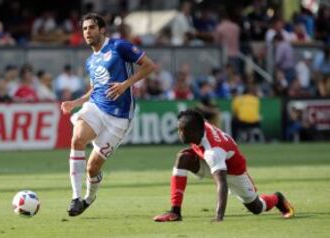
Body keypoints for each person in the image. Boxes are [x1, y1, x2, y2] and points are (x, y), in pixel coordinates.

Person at [60, 13, 155, 217]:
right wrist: (75, 103)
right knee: (77, 139)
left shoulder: (119, 46)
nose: (88, 32)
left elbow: (149, 66)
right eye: (85, 29)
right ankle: (76, 198)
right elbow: (95, 90)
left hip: (119, 118)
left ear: (102, 30)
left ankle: (89, 197)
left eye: (92, 27)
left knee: (92, 168)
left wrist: (125, 85)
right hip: (96, 107)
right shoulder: (90, 61)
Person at [153, 109, 294, 222]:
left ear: (194, 132)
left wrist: (219, 216)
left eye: (182, 130)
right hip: (212, 163)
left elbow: (222, 183)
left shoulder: (213, 152)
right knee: (183, 158)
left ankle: (277, 198)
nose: (179, 133)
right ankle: (175, 211)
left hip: (234, 173)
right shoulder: (199, 126)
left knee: (257, 207)